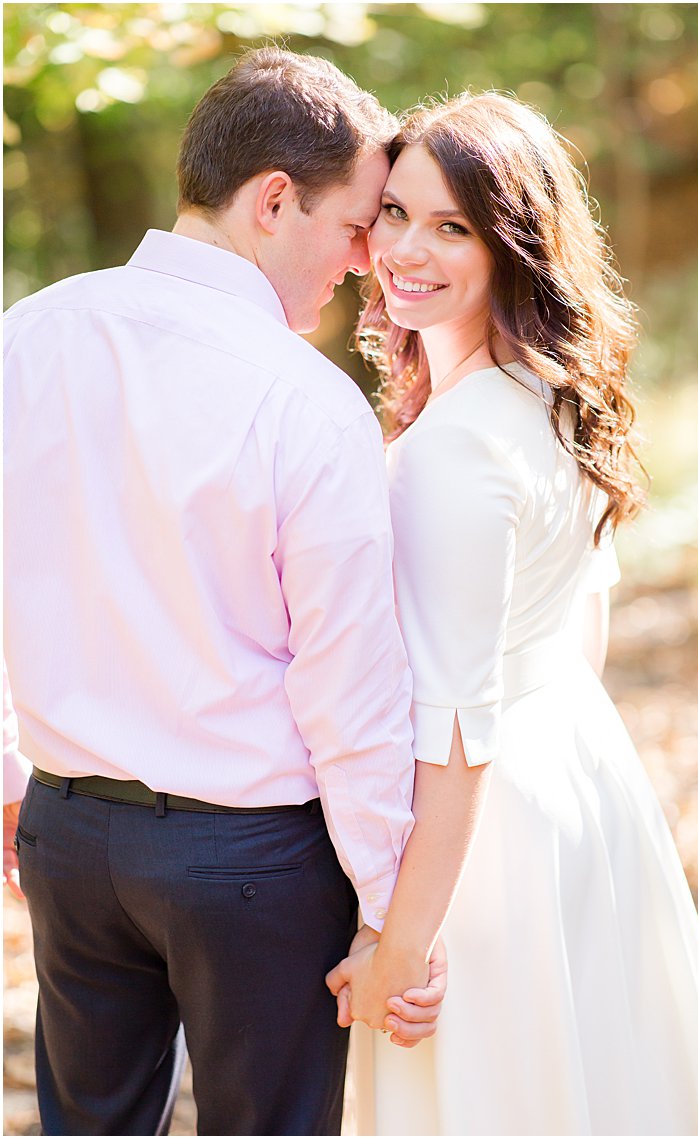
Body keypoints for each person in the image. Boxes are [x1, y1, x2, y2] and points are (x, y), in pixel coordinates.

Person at [2, 48, 443, 1135]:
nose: (363, 261)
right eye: (353, 227)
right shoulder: (305, 398)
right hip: (252, 859)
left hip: (65, 831)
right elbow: (348, 690)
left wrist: (11, 781)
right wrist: (391, 916)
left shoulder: (24, 339)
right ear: (274, 200)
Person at [321, 93, 698, 1135]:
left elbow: (457, 726)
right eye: (393, 215)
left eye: (451, 226)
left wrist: (399, 939)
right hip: (579, 777)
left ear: (513, 243)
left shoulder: (455, 446)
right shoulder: (554, 399)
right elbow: (584, 630)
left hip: (481, 837)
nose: (404, 251)